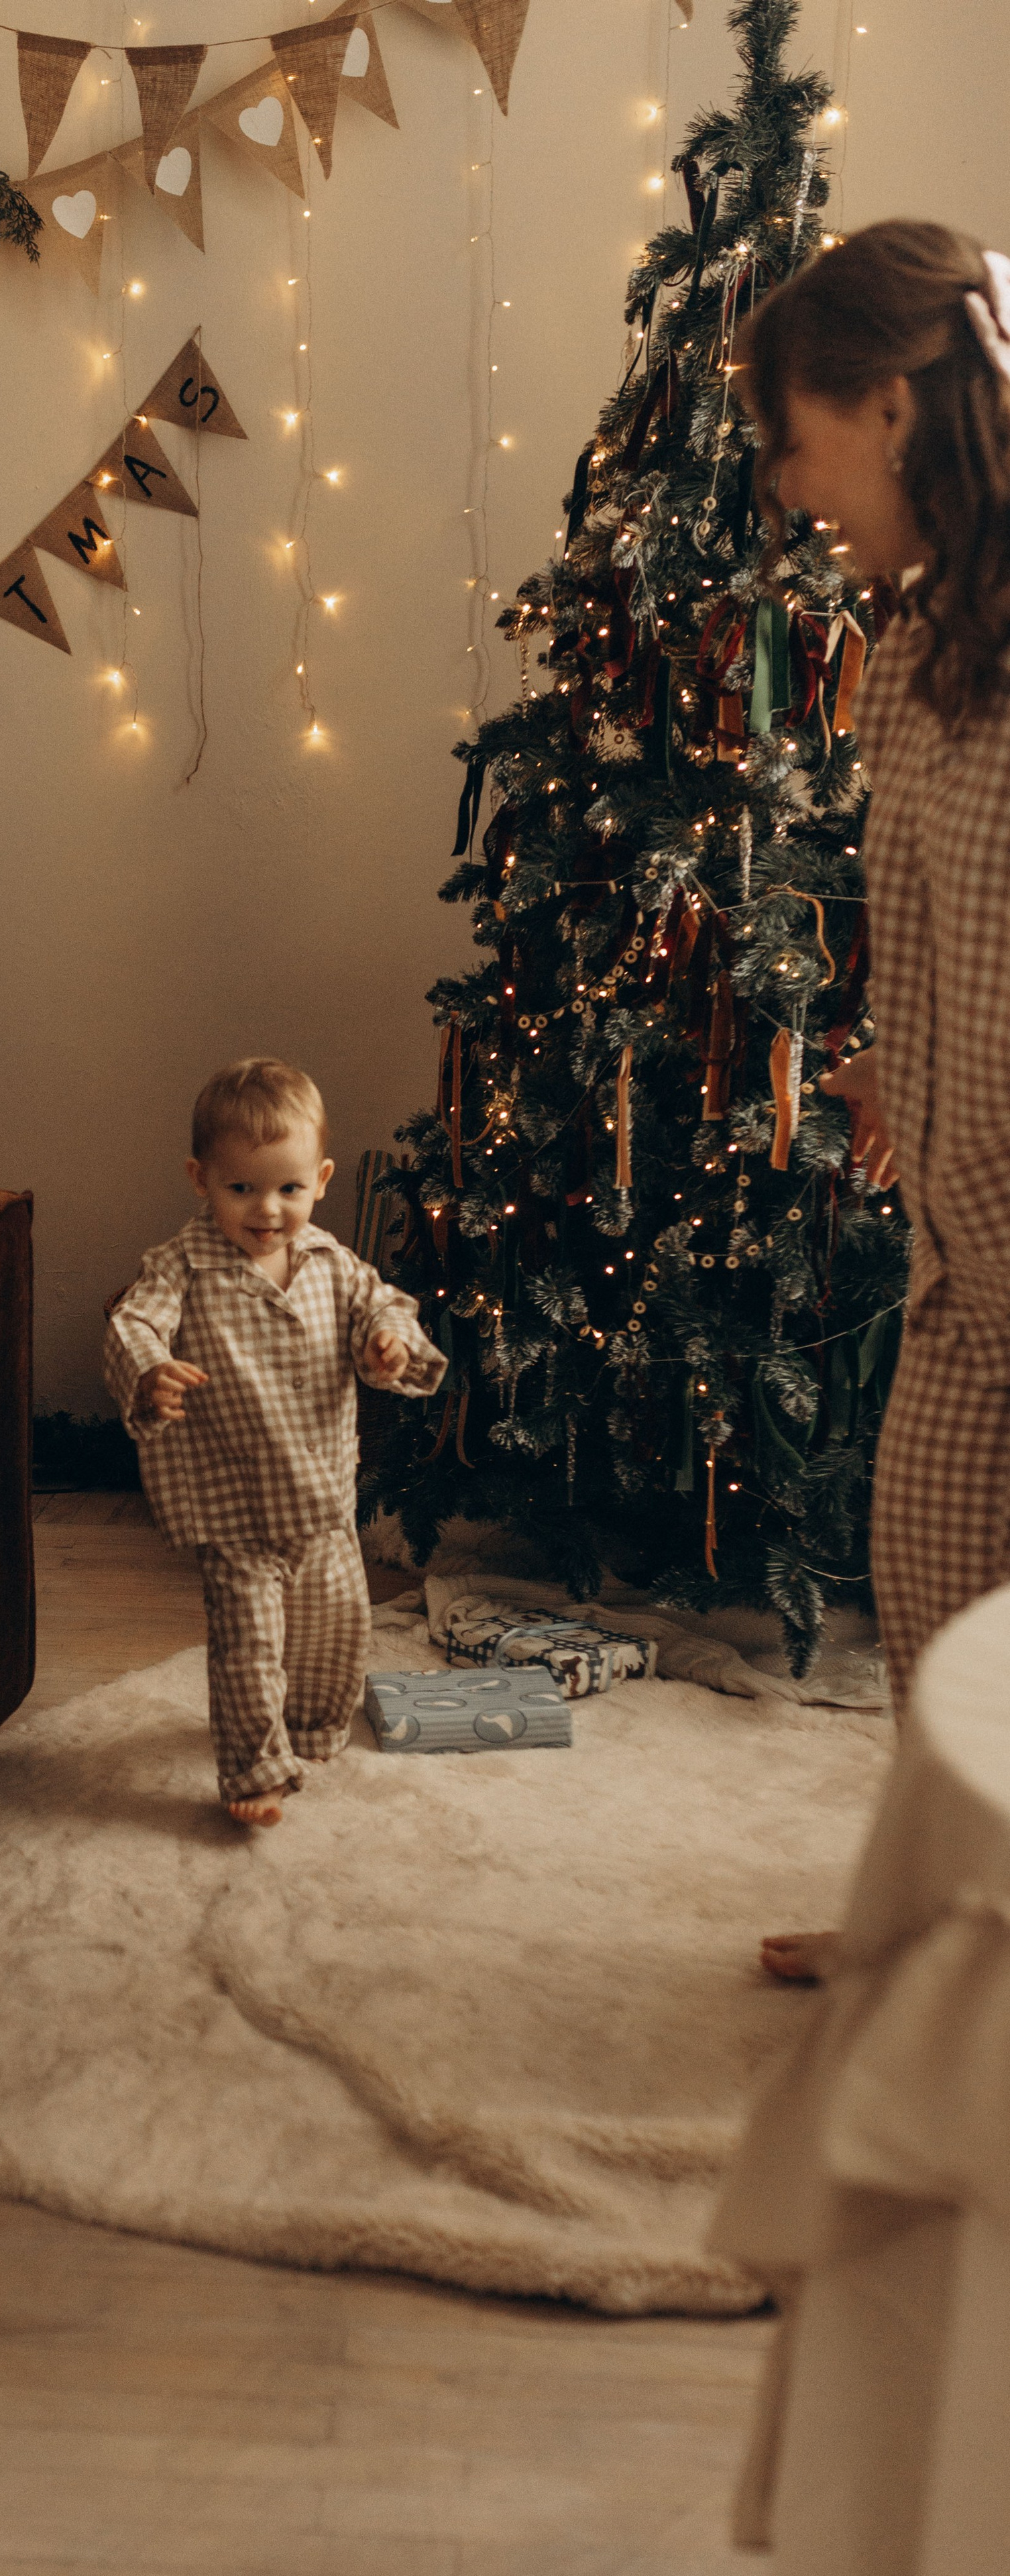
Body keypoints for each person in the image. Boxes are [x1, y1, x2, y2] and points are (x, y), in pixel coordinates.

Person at [738, 221, 1010, 1981]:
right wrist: (899, 1054)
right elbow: (922, 900)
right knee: (925, 1564)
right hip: (965, 1223)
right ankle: (936, 1938)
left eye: (794, 438)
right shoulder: (921, 641)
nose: (784, 486)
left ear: (896, 408)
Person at [103, 1057, 446, 1825]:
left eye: (289, 1189)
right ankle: (254, 1770)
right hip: (235, 1506)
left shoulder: (332, 1264)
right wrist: (149, 1369)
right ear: (201, 1178)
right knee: (249, 1645)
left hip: (321, 1498)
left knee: (336, 1628)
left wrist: (388, 1343)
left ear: (320, 1179)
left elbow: (383, 1306)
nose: (268, 1209)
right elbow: (134, 1321)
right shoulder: (183, 1265)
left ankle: (314, 1727)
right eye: (242, 1188)